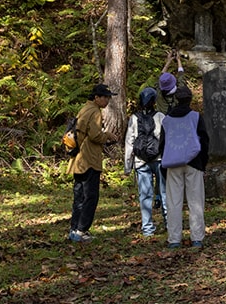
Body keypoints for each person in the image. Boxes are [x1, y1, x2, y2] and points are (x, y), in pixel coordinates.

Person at [159, 85, 209, 248]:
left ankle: (174, 239)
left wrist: (164, 164)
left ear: (176, 99)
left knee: (173, 201)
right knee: (195, 201)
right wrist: (203, 163)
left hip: (173, 163)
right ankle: (197, 238)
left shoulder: (167, 119)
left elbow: (162, 144)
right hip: (193, 162)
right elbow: (204, 140)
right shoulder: (195, 117)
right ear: (190, 99)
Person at [68, 82, 118, 242]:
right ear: (97, 98)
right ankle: (82, 231)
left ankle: (74, 229)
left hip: (78, 159)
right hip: (89, 159)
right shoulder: (95, 112)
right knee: (91, 196)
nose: (108, 101)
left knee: (79, 196)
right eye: (106, 98)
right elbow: (95, 135)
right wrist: (108, 136)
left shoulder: (84, 109)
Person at [124, 87, 166, 237]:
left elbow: (129, 142)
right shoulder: (161, 116)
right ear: (154, 101)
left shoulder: (134, 118)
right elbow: (165, 139)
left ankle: (147, 228)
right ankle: (168, 223)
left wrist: (127, 166)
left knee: (145, 195)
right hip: (159, 159)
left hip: (140, 161)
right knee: (164, 192)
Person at [158, 49, 185, 114]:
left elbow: (161, 76)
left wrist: (168, 61)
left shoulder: (159, 94)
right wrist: (178, 60)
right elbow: (181, 75)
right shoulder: (180, 92)